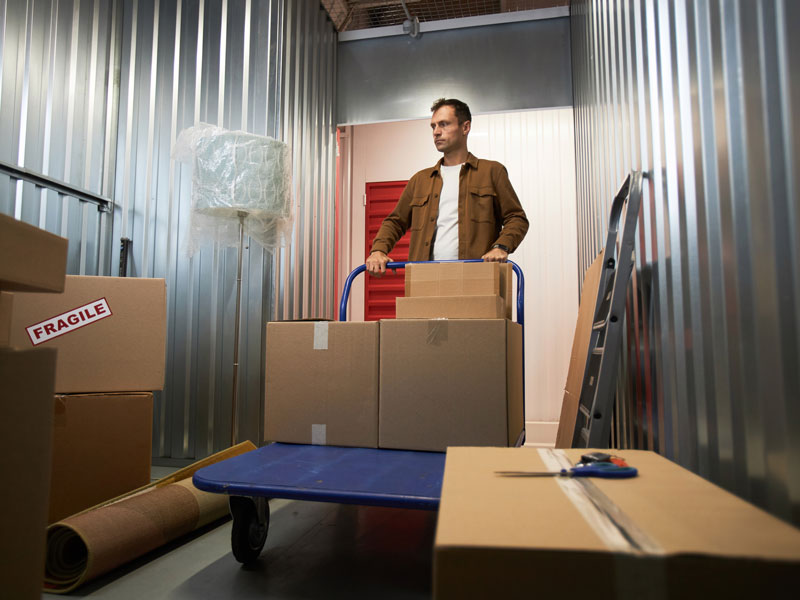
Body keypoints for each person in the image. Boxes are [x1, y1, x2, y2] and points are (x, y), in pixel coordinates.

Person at [365, 98, 529, 276]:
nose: (436, 132)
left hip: (476, 278)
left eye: (443, 124)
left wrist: (501, 247)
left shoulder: (491, 172)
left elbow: (516, 218)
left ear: (465, 127)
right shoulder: (420, 180)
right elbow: (395, 222)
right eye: (433, 126)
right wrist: (378, 251)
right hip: (425, 279)